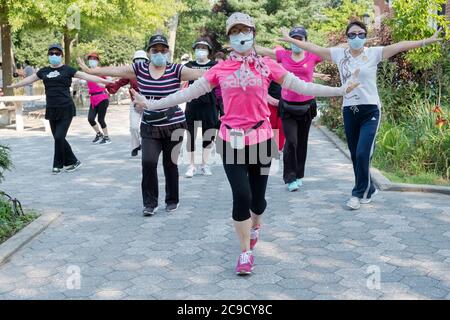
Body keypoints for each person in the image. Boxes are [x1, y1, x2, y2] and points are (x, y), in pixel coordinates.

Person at [132, 13, 358, 275]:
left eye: (245, 30)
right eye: (235, 32)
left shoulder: (266, 65)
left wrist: (340, 91)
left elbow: (301, 86)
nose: (241, 36)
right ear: (229, 39)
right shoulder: (219, 69)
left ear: (253, 34)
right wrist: (151, 104)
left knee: (258, 201)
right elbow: (185, 93)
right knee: (241, 196)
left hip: (261, 138)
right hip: (230, 139)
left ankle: (256, 227)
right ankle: (244, 252)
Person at [280, 21, 444, 209]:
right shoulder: (339, 54)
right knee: (355, 155)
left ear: (365, 36)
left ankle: (357, 193)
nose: (356, 37)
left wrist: (426, 41)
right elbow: (313, 47)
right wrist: (290, 39)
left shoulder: (373, 53)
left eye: (360, 34)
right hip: (350, 110)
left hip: (370, 110)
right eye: (352, 34)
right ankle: (369, 188)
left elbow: (400, 46)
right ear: (347, 37)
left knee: (363, 152)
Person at [77, 34, 205, 216]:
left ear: (168, 52)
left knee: (170, 164)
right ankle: (150, 203)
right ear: (149, 52)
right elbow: (115, 71)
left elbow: (203, 74)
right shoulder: (140, 69)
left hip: (173, 124)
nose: (159, 53)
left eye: (163, 50)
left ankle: (172, 200)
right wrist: (92, 71)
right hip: (149, 124)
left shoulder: (177, 70)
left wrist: (231, 68)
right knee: (148, 162)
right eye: (155, 50)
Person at [7, 44, 112, 174]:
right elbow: (30, 79)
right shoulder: (43, 71)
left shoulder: (67, 69)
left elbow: (87, 76)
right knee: (58, 138)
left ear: (61, 55)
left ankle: (57, 165)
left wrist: (108, 82)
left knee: (58, 137)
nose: (54, 56)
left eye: (57, 53)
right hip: (51, 109)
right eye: (51, 53)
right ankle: (73, 161)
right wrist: (15, 85)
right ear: (48, 55)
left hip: (66, 108)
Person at [257, 27, 330, 192]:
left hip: (307, 106)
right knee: (291, 141)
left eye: (300, 39)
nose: (296, 42)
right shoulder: (283, 56)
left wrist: (359, 43)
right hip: (288, 106)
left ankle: (298, 174)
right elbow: (265, 51)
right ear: (289, 41)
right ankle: (290, 177)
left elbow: (333, 51)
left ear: (305, 41)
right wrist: (245, 45)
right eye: (293, 38)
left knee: (302, 143)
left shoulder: (313, 56)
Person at [184, 37, 218, 177]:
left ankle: (204, 164)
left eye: (203, 48)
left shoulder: (215, 65)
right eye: (198, 48)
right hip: (192, 103)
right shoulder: (189, 65)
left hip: (209, 104)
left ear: (208, 51)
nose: (200, 51)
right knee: (190, 135)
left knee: (208, 135)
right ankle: (191, 165)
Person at [106, 50, 148, 157]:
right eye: (137, 60)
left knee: (147, 127)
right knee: (133, 127)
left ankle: (147, 145)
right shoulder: (130, 73)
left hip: (149, 103)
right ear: (134, 62)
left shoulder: (151, 72)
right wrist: (108, 84)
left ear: (146, 61)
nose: (139, 62)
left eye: (142, 60)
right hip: (135, 103)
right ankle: (136, 145)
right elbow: (118, 84)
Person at [84, 53, 111, 145]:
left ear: (98, 61)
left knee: (100, 119)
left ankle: (107, 137)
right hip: (93, 99)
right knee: (90, 118)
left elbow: (110, 80)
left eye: (94, 59)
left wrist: (104, 84)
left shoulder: (101, 71)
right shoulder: (87, 71)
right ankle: (99, 134)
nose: (92, 60)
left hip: (102, 97)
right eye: (90, 59)